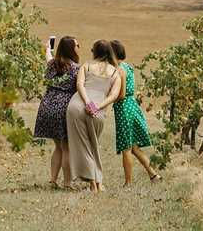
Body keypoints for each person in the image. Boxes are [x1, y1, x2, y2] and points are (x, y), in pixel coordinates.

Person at [66, 40, 122, 193]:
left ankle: (93, 183)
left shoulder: (87, 65)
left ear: (95, 52)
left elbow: (80, 85)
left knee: (83, 145)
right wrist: (97, 106)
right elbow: (114, 95)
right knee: (93, 145)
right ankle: (97, 182)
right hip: (99, 110)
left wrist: (87, 102)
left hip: (77, 105)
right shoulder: (116, 72)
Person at [110, 40, 159, 185]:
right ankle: (153, 175)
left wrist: (109, 99)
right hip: (132, 105)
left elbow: (122, 94)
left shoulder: (119, 69)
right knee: (133, 147)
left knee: (126, 147)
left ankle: (128, 182)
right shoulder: (128, 67)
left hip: (124, 107)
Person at [34, 36, 80, 188]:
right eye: (76, 45)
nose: (78, 46)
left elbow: (48, 55)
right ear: (72, 49)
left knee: (58, 147)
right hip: (63, 109)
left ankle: (53, 180)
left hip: (47, 106)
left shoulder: (52, 64)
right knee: (66, 147)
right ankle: (67, 183)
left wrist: (48, 47)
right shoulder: (75, 68)